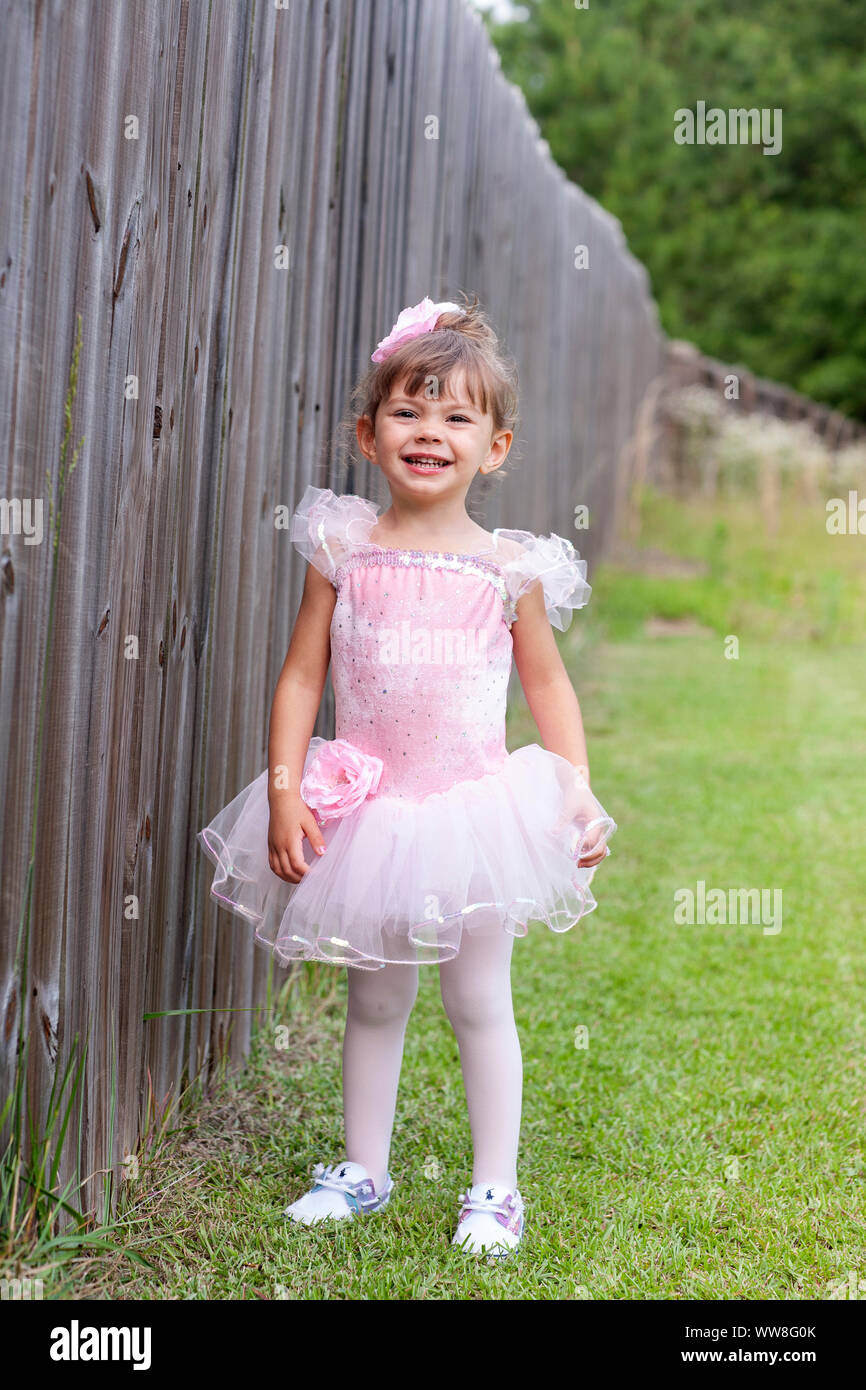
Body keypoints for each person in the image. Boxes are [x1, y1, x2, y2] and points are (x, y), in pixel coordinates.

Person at [197, 293, 617, 1257]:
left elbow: (547, 685)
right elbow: (303, 672)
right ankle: (364, 1169)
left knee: (479, 999)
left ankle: (494, 1188)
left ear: (496, 447)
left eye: (457, 416)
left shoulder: (509, 570)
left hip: (471, 815)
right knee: (374, 998)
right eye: (408, 411)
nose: (431, 431)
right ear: (368, 432)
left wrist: (575, 784)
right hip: (371, 812)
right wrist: (284, 784)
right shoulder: (344, 548)